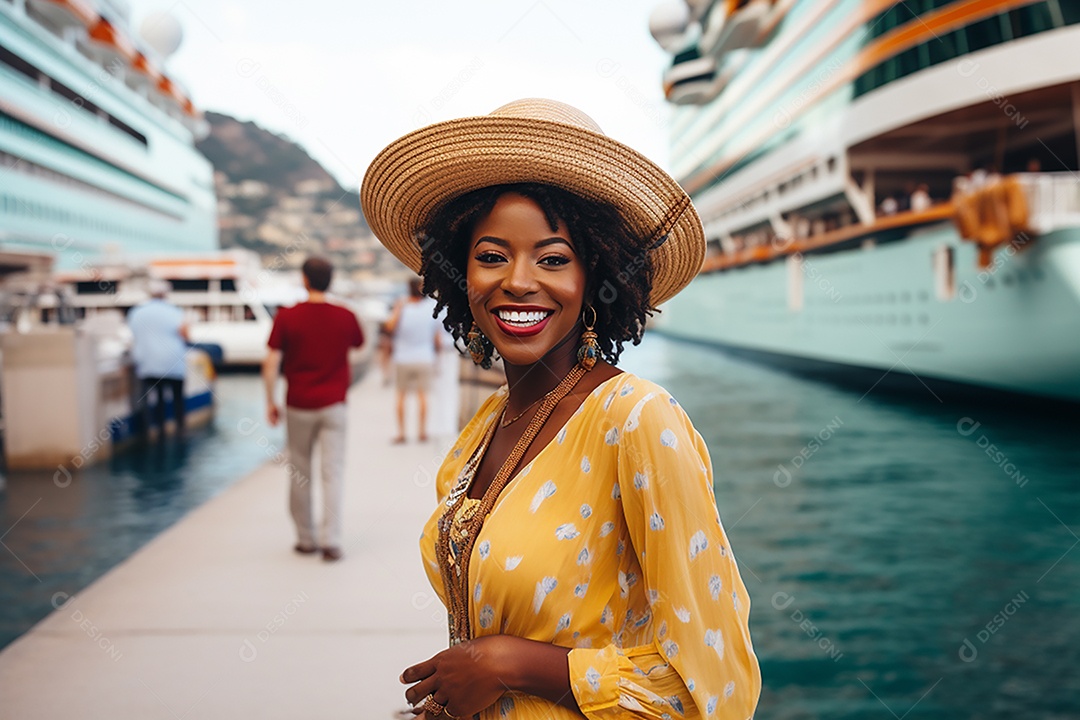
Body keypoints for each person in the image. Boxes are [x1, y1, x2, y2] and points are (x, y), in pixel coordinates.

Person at [361, 99, 760, 719]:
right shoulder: (483, 428)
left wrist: (512, 664)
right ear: (461, 274)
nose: (519, 281)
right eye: (492, 256)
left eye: (552, 259)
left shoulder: (637, 420)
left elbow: (716, 688)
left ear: (594, 276)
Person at [262, 256, 364, 561]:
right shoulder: (345, 315)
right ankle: (331, 540)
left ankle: (306, 539)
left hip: (299, 404)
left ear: (305, 279)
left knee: (299, 471)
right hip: (334, 404)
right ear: (330, 281)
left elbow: (270, 363)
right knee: (333, 472)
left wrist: (270, 400)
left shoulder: (287, 316)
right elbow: (358, 347)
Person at [128, 279, 189, 438]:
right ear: (165, 293)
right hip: (173, 363)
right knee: (177, 400)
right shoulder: (174, 311)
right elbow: (185, 334)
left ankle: (153, 433)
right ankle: (180, 431)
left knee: (154, 399)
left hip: (147, 363)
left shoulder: (136, 312)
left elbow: (133, 334)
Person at [385, 277, 442, 443]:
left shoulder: (402, 306)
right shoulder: (430, 308)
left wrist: (398, 308)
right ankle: (422, 432)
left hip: (403, 358)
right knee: (423, 396)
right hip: (425, 357)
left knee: (401, 396)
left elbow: (389, 326)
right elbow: (437, 338)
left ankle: (401, 433)